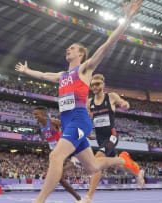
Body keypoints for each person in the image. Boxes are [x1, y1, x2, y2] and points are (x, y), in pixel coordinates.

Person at [15, 1, 143, 202]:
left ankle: (39, 200)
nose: (68, 49)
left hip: (79, 120)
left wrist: (127, 19)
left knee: (55, 156)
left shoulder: (84, 69)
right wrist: (26, 71)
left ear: (81, 54)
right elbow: (42, 74)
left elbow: (107, 45)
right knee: (92, 167)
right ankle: (121, 159)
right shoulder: (62, 74)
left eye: (72, 48)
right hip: (68, 122)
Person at [78, 74, 145, 203]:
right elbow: (88, 118)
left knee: (96, 162)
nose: (95, 86)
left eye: (97, 84)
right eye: (93, 84)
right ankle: (137, 172)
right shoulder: (90, 102)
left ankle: (88, 197)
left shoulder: (111, 97)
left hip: (111, 137)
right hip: (99, 138)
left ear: (103, 85)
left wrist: (125, 105)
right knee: (117, 164)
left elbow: (123, 103)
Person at [33, 106, 81, 201]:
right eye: (34, 114)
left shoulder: (52, 122)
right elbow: (49, 138)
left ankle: (72, 163)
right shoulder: (40, 124)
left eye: (36, 114)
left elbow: (68, 125)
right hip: (54, 151)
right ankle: (79, 199)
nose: (35, 116)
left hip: (63, 148)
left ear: (43, 114)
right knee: (61, 180)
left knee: (56, 174)